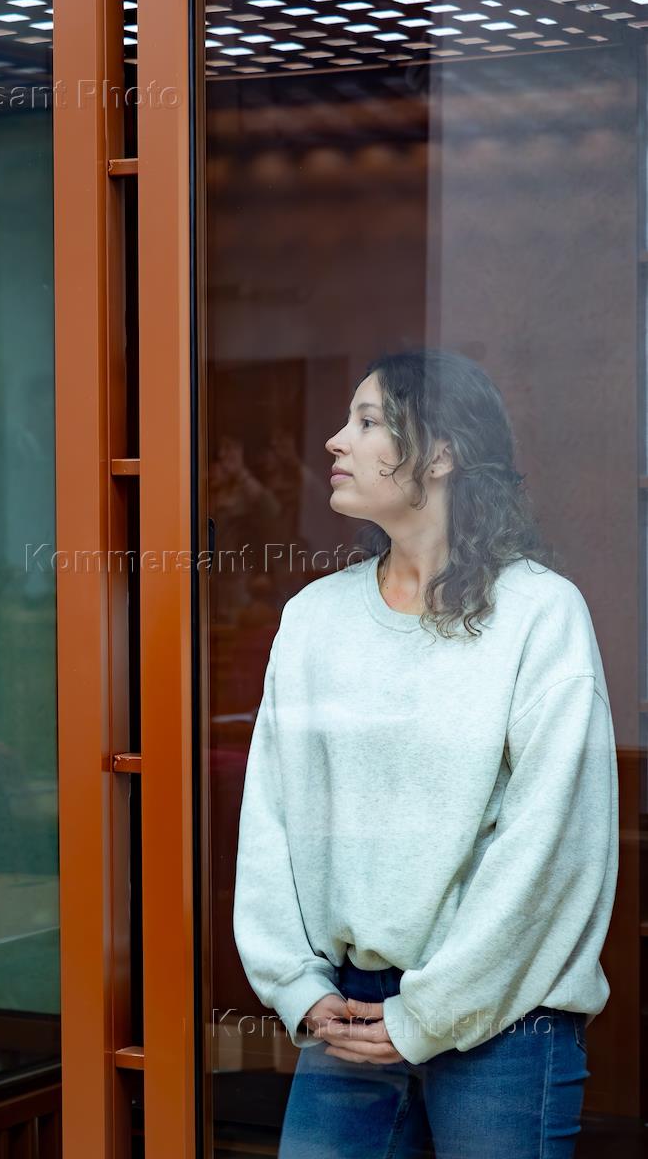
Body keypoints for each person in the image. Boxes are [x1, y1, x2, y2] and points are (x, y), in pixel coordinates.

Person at [232, 347, 619, 1158]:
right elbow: (271, 815)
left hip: (505, 1017)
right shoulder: (313, 618)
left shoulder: (540, 615)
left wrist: (430, 1012)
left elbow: (553, 847)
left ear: (440, 453)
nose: (335, 440)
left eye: (368, 421)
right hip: (346, 1013)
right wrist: (294, 984)